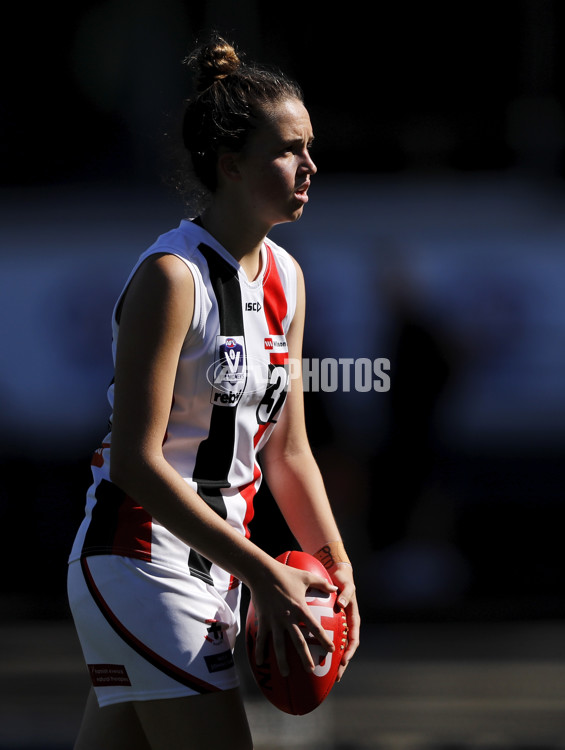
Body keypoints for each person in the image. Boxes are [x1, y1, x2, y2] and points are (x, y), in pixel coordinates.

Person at [67, 33, 359, 750]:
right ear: (230, 165)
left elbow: (288, 449)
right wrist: (264, 572)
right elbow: (136, 462)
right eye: (288, 150)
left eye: (310, 146)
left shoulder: (287, 278)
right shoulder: (173, 277)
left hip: (216, 573)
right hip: (141, 562)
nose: (310, 165)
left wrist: (336, 563)